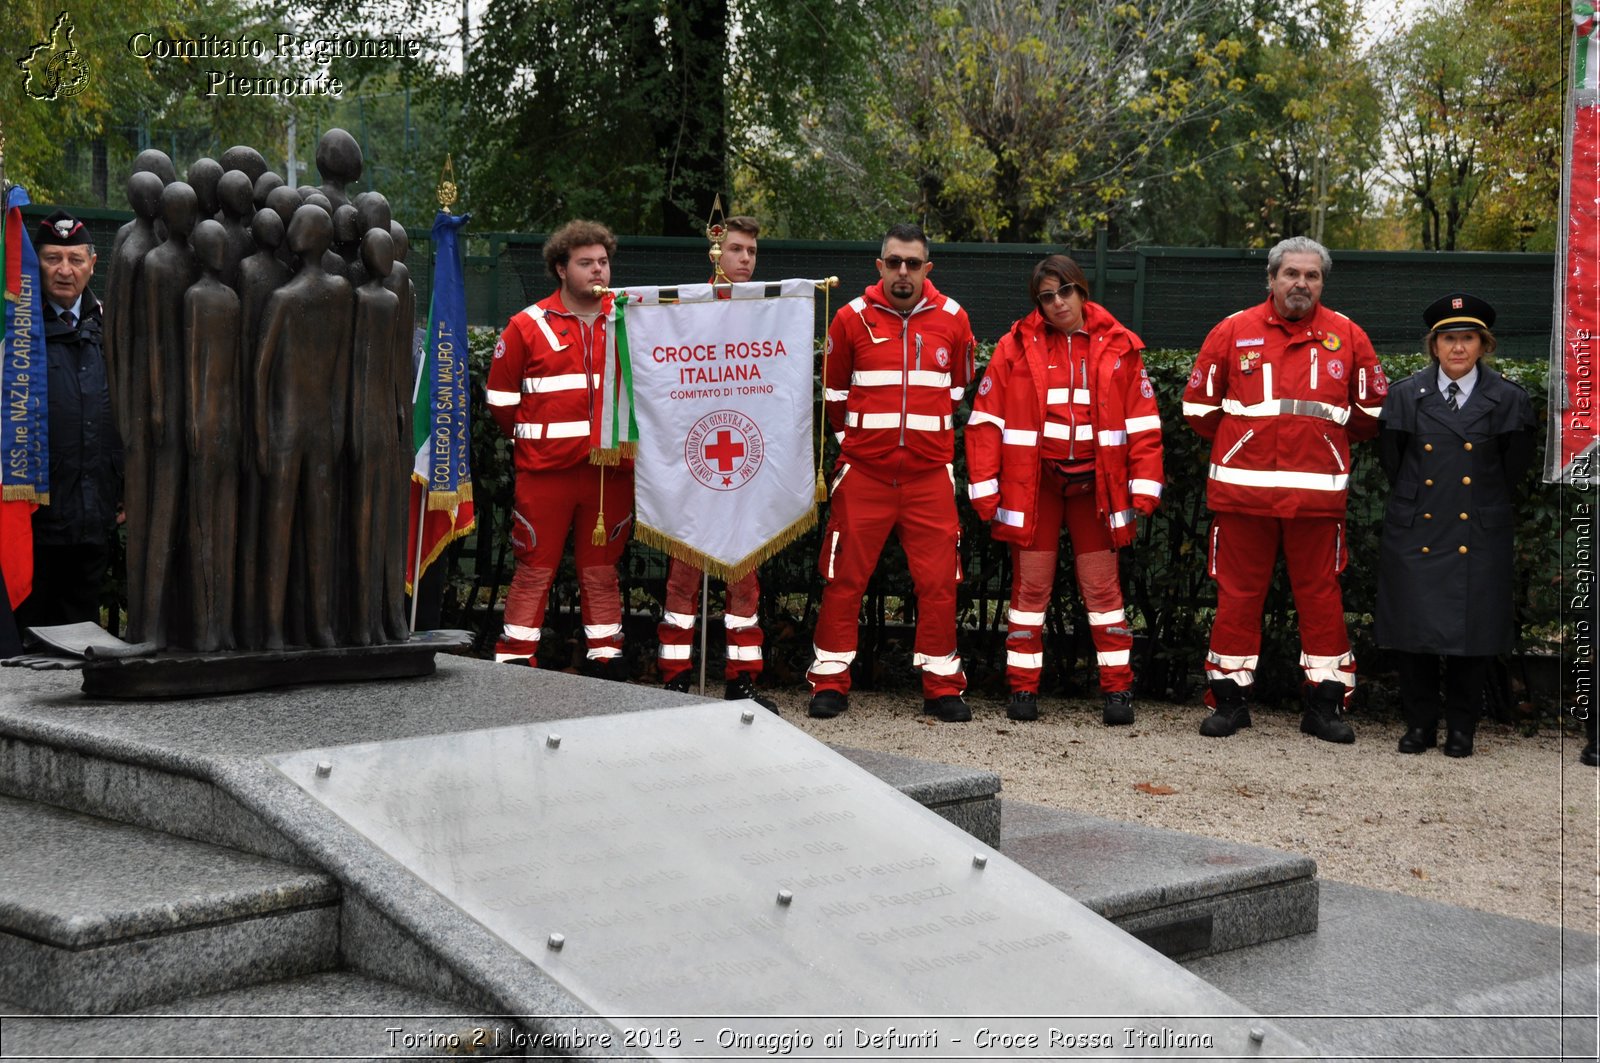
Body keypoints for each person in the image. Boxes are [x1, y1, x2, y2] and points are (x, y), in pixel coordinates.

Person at [1182, 236, 1386, 743]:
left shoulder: (1349, 335)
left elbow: (1370, 415)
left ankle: (1326, 704)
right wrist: (1245, 444)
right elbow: (1198, 410)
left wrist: (1321, 449)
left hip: (1317, 503)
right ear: (1271, 279)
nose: (1301, 283)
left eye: (1312, 276)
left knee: (1321, 598)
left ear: (1322, 282)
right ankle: (1228, 701)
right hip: (1243, 498)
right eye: (1291, 274)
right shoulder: (1232, 331)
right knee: (1236, 597)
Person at [965, 255, 1164, 724]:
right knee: (1030, 590)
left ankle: (1117, 691)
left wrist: (1145, 485)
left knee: (1103, 591)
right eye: (1046, 297)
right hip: (1036, 487)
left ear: (1082, 289)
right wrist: (984, 489)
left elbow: (1143, 422)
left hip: (1099, 488)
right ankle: (1022, 689)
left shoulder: (1120, 344)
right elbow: (986, 422)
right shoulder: (1014, 347)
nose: (1057, 304)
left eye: (1065, 292)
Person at [806, 223, 975, 722]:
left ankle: (942, 686)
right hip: (864, 475)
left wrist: (922, 443)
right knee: (842, 579)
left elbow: (957, 391)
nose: (904, 272)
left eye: (913, 263)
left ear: (927, 269)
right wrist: (864, 445)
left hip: (928, 477)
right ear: (879, 267)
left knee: (941, 581)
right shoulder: (849, 318)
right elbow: (833, 398)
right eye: (894, 262)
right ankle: (830, 681)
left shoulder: (954, 319)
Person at [1375, 293, 1537, 758]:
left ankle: (1462, 728)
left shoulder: (1508, 399)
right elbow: (1394, 460)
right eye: (1449, 339)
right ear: (1434, 346)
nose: (1458, 348)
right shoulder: (1406, 395)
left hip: (1477, 530)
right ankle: (1420, 725)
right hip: (1418, 527)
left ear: (1484, 345)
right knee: (1414, 632)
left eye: (1468, 338)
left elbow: (1512, 470)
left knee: (1474, 633)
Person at [485, 220, 632, 676]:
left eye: (603, 262)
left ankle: (605, 660)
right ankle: (514, 661)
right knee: (533, 568)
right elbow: (501, 402)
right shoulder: (526, 326)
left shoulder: (630, 320)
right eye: (585, 263)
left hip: (610, 472)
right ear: (560, 269)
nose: (598, 271)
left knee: (602, 570)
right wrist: (544, 439)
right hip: (546, 474)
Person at [656, 216, 776, 710]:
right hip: (692, 461)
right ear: (715, 253)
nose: (745, 259)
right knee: (683, 576)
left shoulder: (771, 311)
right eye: (736, 249)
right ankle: (676, 677)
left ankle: (742, 680)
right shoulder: (686, 309)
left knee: (743, 579)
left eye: (751, 250)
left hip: (745, 461)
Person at [15, 210, 121, 632]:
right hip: (32, 520)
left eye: (75, 259)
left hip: (93, 515)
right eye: (52, 258)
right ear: (35, 262)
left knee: (79, 639)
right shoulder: (16, 334)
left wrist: (125, 483)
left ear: (93, 264)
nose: (64, 270)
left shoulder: (110, 326)